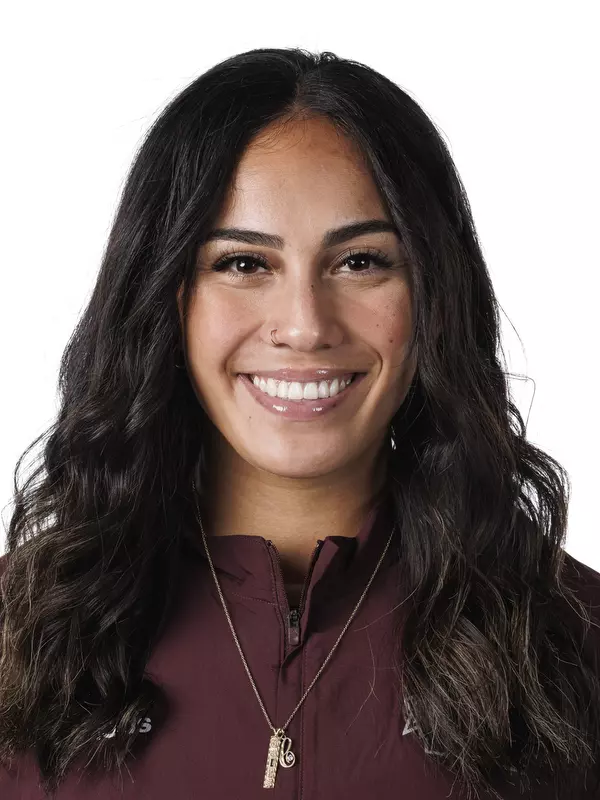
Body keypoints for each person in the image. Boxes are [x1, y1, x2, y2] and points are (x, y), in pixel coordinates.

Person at [0, 47, 598, 800]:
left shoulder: (578, 640)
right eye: (244, 264)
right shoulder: (16, 636)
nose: (306, 326)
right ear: (165, 298)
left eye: (361, 262)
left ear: (434, 295)